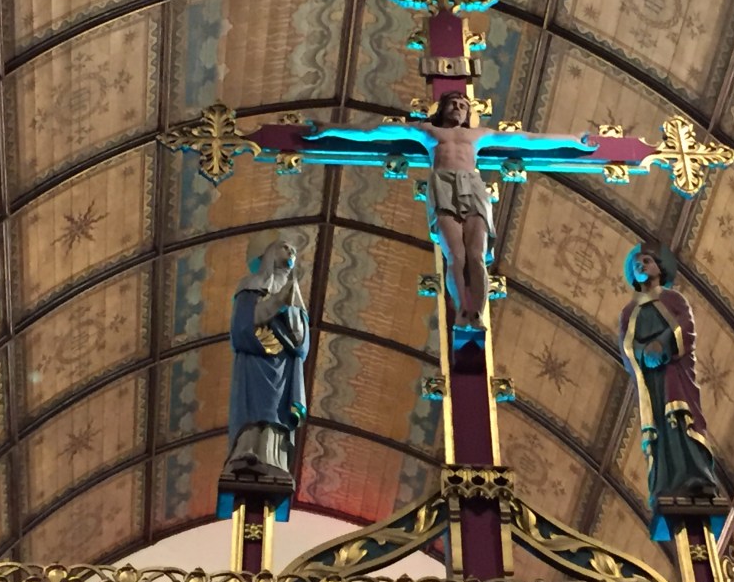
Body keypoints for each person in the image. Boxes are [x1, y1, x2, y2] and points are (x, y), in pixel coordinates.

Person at [307, 92, 596, 329]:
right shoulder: (428, 131)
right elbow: (374, 132)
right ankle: (461, 310)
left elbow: (526, 139)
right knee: (455, 255)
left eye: (463, 105)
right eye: (453, 104)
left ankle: (478, 314)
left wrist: (570, 140)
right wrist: (329, 130)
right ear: (442, 108)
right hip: (443, 186)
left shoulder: (479, 135)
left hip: (473, 186)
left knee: (476, 256)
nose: (458, 108)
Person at [618, 242, 719, 513]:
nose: (642, 265)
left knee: (681, 418)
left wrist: (662, 345)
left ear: (659, 269)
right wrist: (643, 353)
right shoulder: (629, 312)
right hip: (651, 380)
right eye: (637, 263)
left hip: (674, 369)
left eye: (647, 261)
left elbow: (686, 325)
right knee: (661, 429)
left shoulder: (673, 299)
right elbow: (625, 348)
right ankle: (664, 482)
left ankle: (697, 476)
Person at [222, 232, 309, 486]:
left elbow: (302, 340)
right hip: (255, 360)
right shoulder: (250, 284)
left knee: (275, 412)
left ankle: (273, 460)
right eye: (284, 247)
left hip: (281, 365)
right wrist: (278, 303)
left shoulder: (294, 291)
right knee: (254, 409)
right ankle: (245, 453)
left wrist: (291, 309)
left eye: (293, 249)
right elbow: (243, 324)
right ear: (269, 252)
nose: (291, 252)